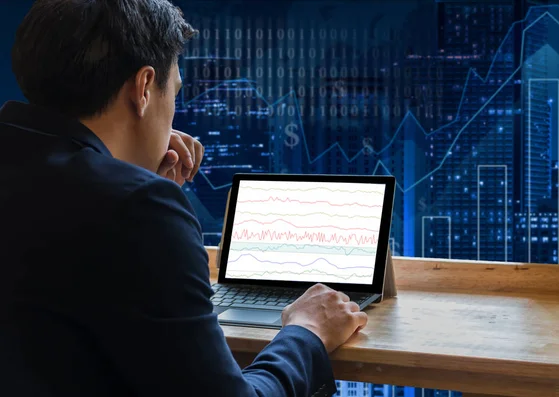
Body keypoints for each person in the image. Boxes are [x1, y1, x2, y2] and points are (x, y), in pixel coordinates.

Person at [0, 1, 368, 396]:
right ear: (143, 89)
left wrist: (128, 175)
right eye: (173, 91)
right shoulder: (140, 208)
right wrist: (306, 331)